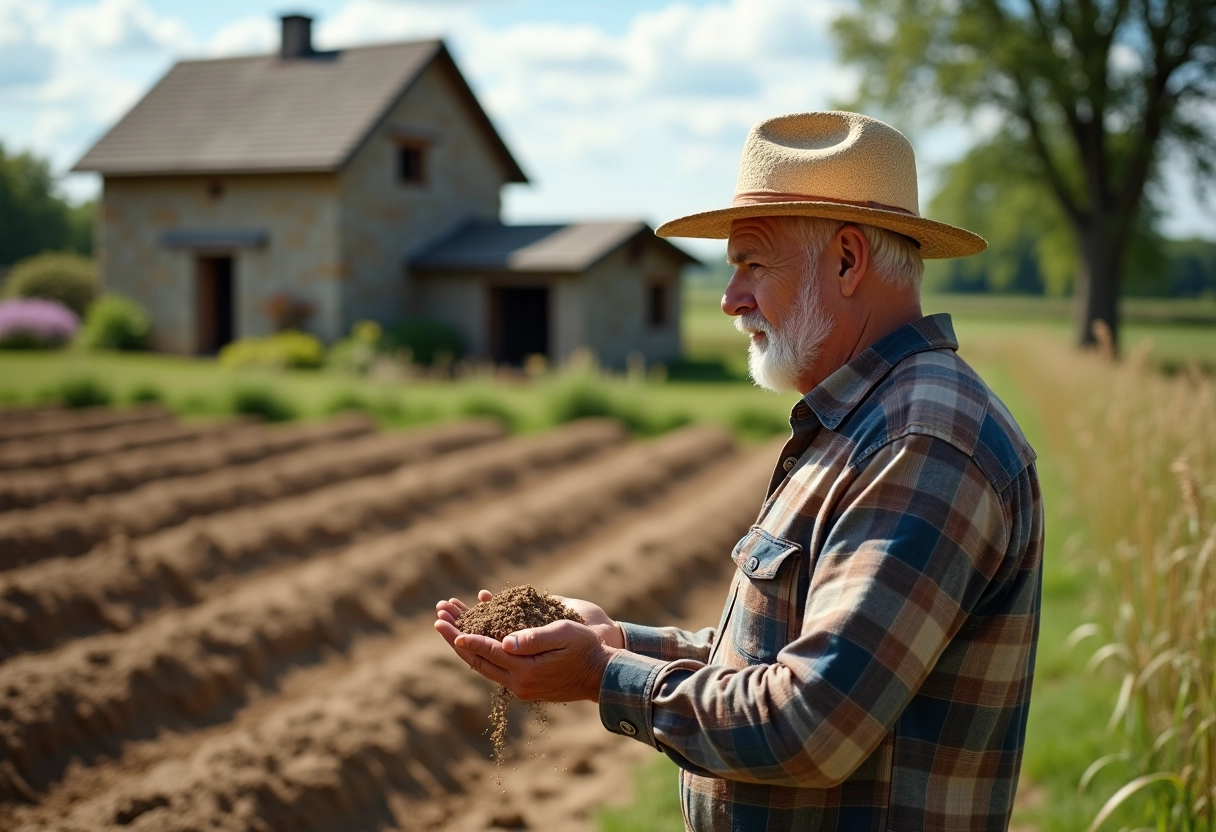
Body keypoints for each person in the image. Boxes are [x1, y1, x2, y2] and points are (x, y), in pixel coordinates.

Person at [435, 111, 1043, 831]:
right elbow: (783, 653)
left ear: (848, 261)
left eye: (753, 264)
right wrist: (618, 642)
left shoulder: (923, 440)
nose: (729, 298)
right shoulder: (868, 417)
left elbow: (813, 724)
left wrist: (601, 677)